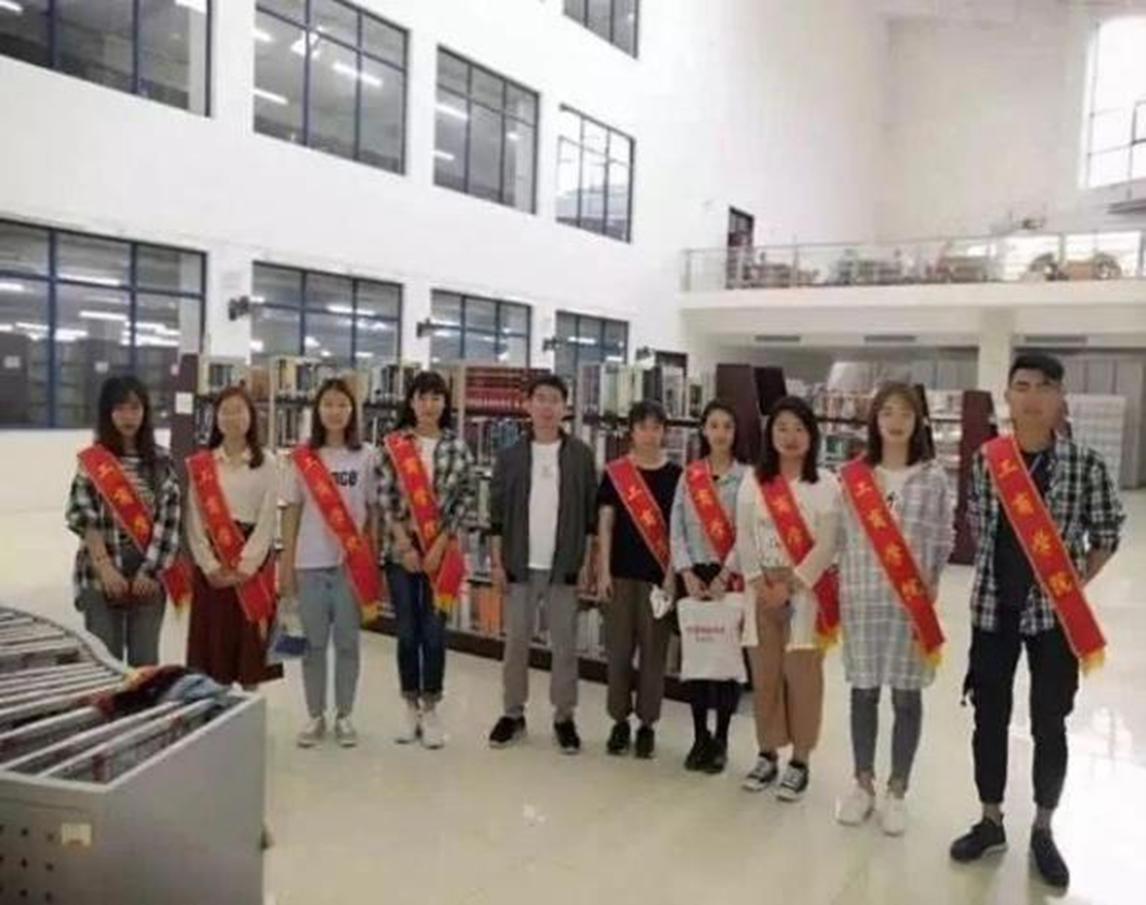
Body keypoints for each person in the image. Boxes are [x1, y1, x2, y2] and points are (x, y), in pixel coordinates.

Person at [950, 353, 1124, 889]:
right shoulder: (988, 460)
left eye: (1045, 386)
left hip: (1054, 618)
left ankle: (1044, 829)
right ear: (1007, 396)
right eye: (1022, 386)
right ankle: (990, 820)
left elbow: (1107, 533)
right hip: (992, 610)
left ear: (1060, 398)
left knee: (1051, 722)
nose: (1032, 397)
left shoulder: (1085, 464)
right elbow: (979, 526)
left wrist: (1071, 584)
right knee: (989, 716)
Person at [834, 383, 954, 835]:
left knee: (907, 696)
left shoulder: (933, 477)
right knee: (863, 692)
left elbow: (942, 537)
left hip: (908, 605)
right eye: (887, 412)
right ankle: (862, 784)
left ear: (918, 420)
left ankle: (897, 790)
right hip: (863, 599)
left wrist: (931, 583)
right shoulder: (853, 476)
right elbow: (840, 535)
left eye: (905, 412)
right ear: (875, 420)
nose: (896, 421)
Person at [735, 396, 840, 801]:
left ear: (812, 435)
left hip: (805, 592)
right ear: (770, 434)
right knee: (765, 676)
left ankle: (800, 760)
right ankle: (766, 753)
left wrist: (790, 585)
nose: (790, 436)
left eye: (799, 428)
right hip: (760, 589)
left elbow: (827, 545)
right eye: (782, 428)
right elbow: (744, 534)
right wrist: (759, 582)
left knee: (802, 677)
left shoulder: (826, 484)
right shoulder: (753, 479)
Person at [487, 374, 597, 755]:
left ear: (565, 407)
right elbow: (496, 515)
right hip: (519, 564)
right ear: (528, 405)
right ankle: (512, 713)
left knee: (564, 646)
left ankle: (564, 717)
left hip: (564, 565)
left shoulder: (581, 455)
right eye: (541, 399)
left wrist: (587, 562)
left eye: (555, 400)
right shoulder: (510, 456)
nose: (548, 406)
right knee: (516, 645)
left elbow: (590, 518)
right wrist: (496, 562)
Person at [378, 370, 475, 750]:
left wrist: (441, 543)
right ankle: (409, 706)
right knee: (406, 631)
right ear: (411, 401)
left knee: (434, 633)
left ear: (445, 403)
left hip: (441, 552)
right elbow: (385, 497)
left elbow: (466, 496)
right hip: (400, 551)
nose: (429, 404)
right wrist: (405, 545)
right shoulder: (394, 445)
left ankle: (431, 706)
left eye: (436, 397)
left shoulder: (457, 447)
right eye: (422, 397)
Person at [281, 378, 380, 749]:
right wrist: (286, 564)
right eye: (328, 404)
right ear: (317, 411)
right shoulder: (302, 458)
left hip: (350, 566)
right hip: (309, 563)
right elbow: (291, 512)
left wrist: (372, 562)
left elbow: (373, 512)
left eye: (342, 404)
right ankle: (315, 715)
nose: (335, 411)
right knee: (313, 645)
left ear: (352, 411)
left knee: (348, 643)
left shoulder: (367, 456)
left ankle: (344, 715)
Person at [66, 375, 184, 667]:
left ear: (145, 411)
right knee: (107, 663)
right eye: (119, 408)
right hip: (100, 572)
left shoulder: (162, 461)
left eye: (135, 407)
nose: (128, 416)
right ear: (107, 413)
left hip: (149, 572)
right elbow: (83, 516)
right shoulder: (94, 461)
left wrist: (150, 571)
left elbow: (170, 520)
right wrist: (105, 567)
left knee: (145, 665)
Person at [598, 400, 683, 760]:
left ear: (665, 432)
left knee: (653, 656)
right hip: (619, 576)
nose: (650, 434)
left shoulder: (677, 476)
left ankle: (647, 724)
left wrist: (671, 576)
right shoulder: (616, 472)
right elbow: (605, 524)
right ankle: (619, 721)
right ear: (631, 432)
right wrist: (602, 570)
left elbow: (679, 533)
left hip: (656, 581)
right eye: (643, 427)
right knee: (618, 653)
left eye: (656, 427)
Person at [185, 386, 282, 690]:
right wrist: (209, 565)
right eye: (225, 411)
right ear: (215, 418)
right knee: (214, 648)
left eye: (239, 410)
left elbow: (268, 518)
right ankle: (217, 706)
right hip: (213, 565)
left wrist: (246, 566)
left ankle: (250, 705)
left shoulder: (268, 463)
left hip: (252, 565)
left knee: (250, 648)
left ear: (251, 416)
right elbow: (194, 518)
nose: (232, 417)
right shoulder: (202, 465)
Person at [670, 400, 748, 774]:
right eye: (714, 425)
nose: (720, 433)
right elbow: (676, 528)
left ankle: (722, 740)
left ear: (735, 432)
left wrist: (724, 574)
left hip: (729, 578)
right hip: (694, 577)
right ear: (703, 430)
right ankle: (700, 737)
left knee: (726, 663)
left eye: (727, 426)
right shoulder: (690, 476)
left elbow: (748, 531)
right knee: (698, 660)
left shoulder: (747, 478)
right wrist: (685, 572)